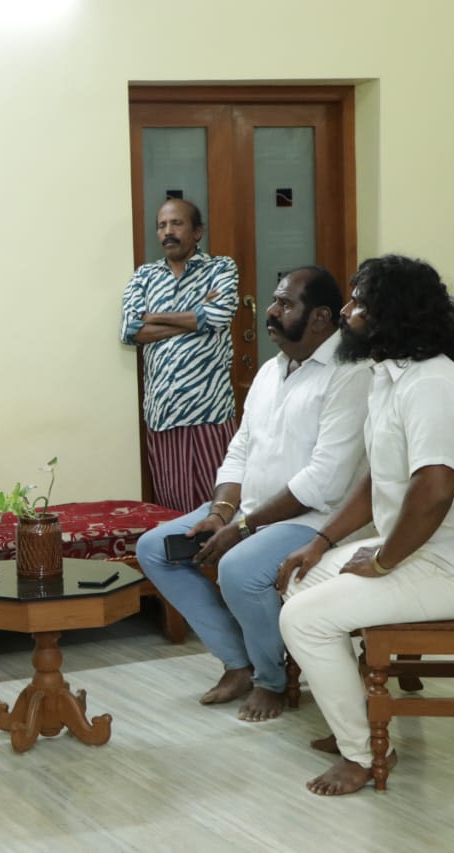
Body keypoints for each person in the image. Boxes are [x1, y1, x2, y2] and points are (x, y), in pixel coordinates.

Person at [277, 255, 454, 796]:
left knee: (303, 620)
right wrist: (320, 542)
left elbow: (435, 488)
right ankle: (357, 719)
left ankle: (362, 754)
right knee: (299, 580)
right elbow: (379, 479)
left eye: (359, 302)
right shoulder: (388, 375)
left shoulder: (432, 384)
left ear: (394, 313)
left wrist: (384, 562)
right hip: (415, 549)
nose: (346, 310)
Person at [136, 267, 370, 721]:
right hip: (253, 512)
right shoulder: (270, 370)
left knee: (239, 568)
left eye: (285, 303)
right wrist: (222, 513)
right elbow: (240, 450)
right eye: (275, 300)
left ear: (321, 317)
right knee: (155, 548)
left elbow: (324, 481)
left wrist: (244, 527)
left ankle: (271, 680)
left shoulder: (350, 374)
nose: (271, 310)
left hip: (315, 521)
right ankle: (239, 662)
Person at [120, 197, 240, 512]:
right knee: (172, 511)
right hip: (163, 413)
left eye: (176, 224)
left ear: (197, 231)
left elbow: (218, 316)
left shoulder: (220, 268)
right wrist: (195, 316)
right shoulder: (144, 276)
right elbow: (130, 330)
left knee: (218, 508)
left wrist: (153, 316)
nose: (168, 232)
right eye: (161, 226)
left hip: (210, 411)